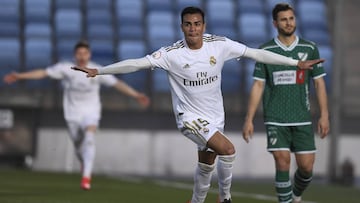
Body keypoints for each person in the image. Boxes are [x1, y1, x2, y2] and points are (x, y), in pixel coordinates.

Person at [72, 7, 323, 203]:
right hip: (188, 117)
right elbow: (137, 63)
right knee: (228, 150)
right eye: (188, 25)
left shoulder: (220, 44)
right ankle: (225, 197)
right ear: (182, 27)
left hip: (215, 117)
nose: (193, 29)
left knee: (206, 165)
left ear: (203, 25)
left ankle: (195, 200)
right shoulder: (171, 54)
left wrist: (294, 64)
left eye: (197, 24)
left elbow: (255, 54)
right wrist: (99, 71)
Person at [3, 41, 150, 190]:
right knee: (79, 147)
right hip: (72, 114)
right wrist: (20, 76)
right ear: (75, 55)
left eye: (85, 53)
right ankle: (83, 161)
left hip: (91, 112)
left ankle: (86, 178)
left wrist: (136, 95)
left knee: (90, 138)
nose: (82, 56)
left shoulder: (96, 70)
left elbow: (116, 83)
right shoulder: (66, 68)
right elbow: (43, 73)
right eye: (79, 53)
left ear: (89, 54)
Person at [242, 3, 329, 203]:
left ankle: (295, 197)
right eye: (283, 19)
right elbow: (257, 86)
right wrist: (249, 119)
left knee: (306, 168)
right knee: (282, 161)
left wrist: (324, 115)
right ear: (275, 23)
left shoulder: (309, 48)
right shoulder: (266, 50)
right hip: (275, 117)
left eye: (291, 18)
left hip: (301, 117)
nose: (288, 23)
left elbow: (319, 83)